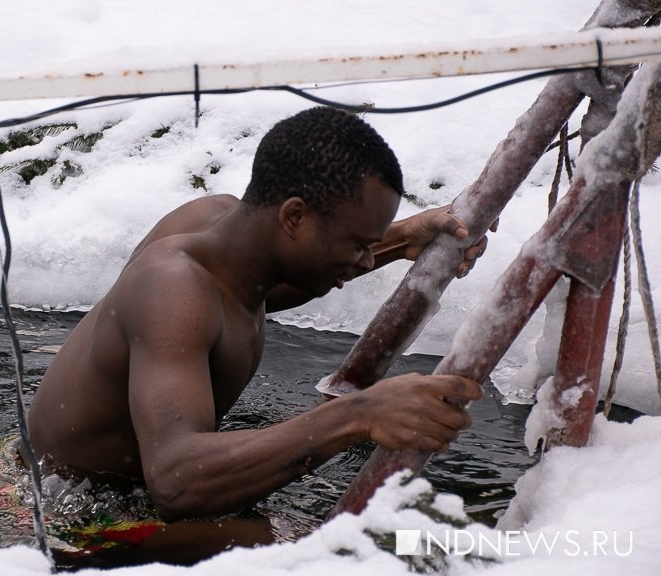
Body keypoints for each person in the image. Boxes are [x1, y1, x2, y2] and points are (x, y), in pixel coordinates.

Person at [27, 106, 486, 524]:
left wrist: (402, 239)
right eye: (358, 244)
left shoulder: (221, 238)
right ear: (294, 217)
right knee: (273, 542)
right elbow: (175, 479)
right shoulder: (172, 288)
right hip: (63, 512)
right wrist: (358, 415)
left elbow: (262, 289)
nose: (366, 259)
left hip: (91, 484)